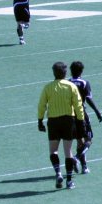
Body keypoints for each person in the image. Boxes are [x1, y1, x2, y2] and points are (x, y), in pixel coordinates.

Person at [37, 61, 85, 190]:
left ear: (54, 73)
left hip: (53, 121)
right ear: (65, 73)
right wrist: (81, 122)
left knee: (53, 150)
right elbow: (78, 105)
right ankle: (69, 181)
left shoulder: (48, 87)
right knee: (68, 151)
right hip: (68, 121)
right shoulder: (71, 86)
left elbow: (42, 105)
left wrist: (40, 120)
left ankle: (58, 172)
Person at [69, 61, 102, 174]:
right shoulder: (84, 83)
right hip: (81, 113)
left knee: (80, 141)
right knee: (88, 140)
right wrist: (97, 111)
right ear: (81, 71)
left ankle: (84, 167)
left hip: (69, 114)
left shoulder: (67, 83)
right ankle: (77, 158)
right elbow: (88, 98)